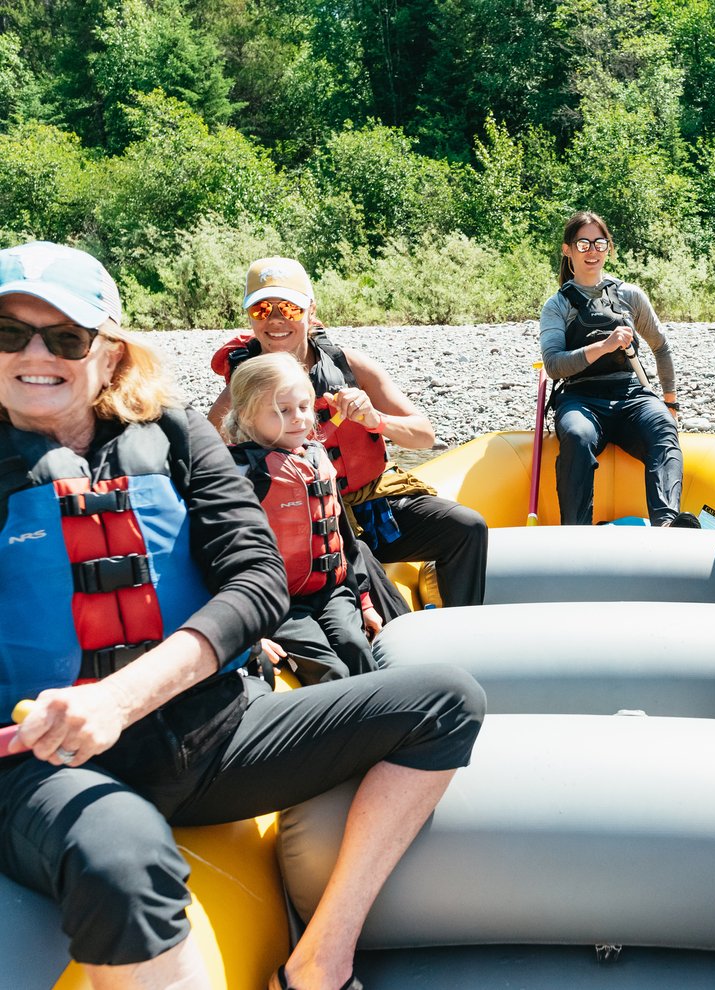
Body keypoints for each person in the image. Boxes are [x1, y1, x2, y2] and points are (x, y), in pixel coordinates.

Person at [0, 242, 486, 990]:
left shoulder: (174, 433)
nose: (37, 355)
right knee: (123, 855)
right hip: (47, 764)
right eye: (9, 333)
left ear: (108, 354)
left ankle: (322, 958)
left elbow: (258, 581)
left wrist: (121, 698)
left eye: (65, 337)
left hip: (213, 737)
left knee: (448, 700)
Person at [208, 257, 487, 608]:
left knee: (466, 527)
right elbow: (205, 460)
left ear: (310, 309)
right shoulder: (246, 384)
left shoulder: (348, 365)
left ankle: (462, 623)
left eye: (289, 308)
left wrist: (377, 421)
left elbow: (424, 437)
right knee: (365, 569)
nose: (276, 320)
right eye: (263, 309)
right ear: (250, 317)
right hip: (311, 520)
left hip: (375, 507)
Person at [224, 351, 381, 684]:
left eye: (304, 407)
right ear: (248, 417)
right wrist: (247, 633)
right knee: (333, 671)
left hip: (331, 592)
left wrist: (364, 600)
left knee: (357, 648)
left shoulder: (316, 456)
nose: (298, 418)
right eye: (282, 411)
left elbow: (343, 538)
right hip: (277, 606)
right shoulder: (240, 473)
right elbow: (218, 557)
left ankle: (386, 725)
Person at [539, 210, 696, 527]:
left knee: (664, 427)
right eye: (583, 244)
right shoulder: (557, 305)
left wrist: (670, 401)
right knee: (576, 434)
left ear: (608, 248)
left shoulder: (630, 295)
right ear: (567, 250)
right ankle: (577, 529)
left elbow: (661, 347)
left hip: (631, 395)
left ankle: (667, 524)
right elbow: (554, 365)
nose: (592, 251)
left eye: (599, 243)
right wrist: (604, 346)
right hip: (580, 398)